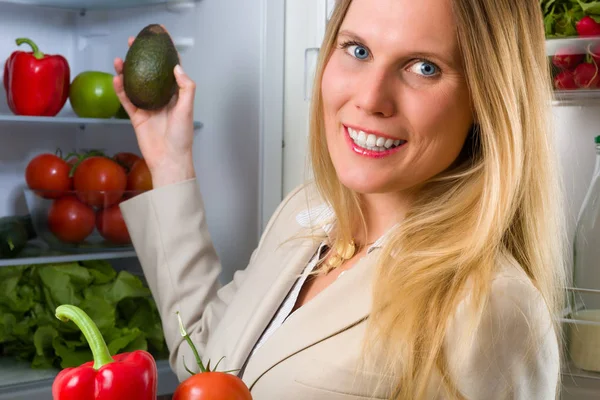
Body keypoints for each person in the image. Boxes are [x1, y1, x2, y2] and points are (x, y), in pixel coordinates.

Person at [114, 0, 566, 398]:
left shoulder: (494, 309)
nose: (370, 99)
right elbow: (204, 362)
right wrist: (169, 160)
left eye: (424, 67)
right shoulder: (305, 214)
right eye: (358, 50)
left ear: (488, 98)